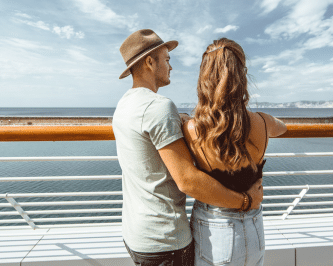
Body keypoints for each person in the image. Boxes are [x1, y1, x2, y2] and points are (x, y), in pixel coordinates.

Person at [112, 29, 263, 266]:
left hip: (135, 233)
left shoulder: (124, 105)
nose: (171, 67)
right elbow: (188, 180)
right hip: (166, 240)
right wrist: (245, 201)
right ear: (150, 62)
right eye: (167, 59)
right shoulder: (158, 107)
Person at [182, 38, 287, 266]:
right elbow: (283, 127)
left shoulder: (193, 129)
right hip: (254, 226)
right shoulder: (262, 122)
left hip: (214, 229)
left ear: (204, 78)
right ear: (241, 76)